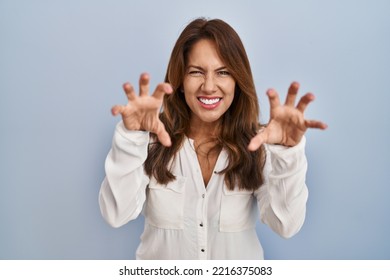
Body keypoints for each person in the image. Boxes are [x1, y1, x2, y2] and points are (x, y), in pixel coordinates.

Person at [99, 17, 327, 260]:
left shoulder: (258, 144)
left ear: (238, 81)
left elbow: (286, 225)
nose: (209, 86)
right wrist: (131, 137)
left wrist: (287, 152)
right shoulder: (151, 140)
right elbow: (116, 214)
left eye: (223, 72)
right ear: (179, 81)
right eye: (196, 72)